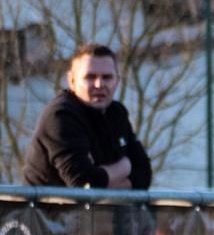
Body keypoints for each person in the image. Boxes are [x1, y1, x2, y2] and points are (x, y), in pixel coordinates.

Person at [22, 43, 151, 190]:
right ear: (71, 81)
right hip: (48, 212)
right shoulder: (60, 116)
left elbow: (144, 176)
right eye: (90, 77)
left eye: (107, 77)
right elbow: (84, 184)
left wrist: (101, 179)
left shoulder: (117, 113)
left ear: (117, 81)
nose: (99, 84)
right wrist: (124, 167)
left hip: (99, 212)